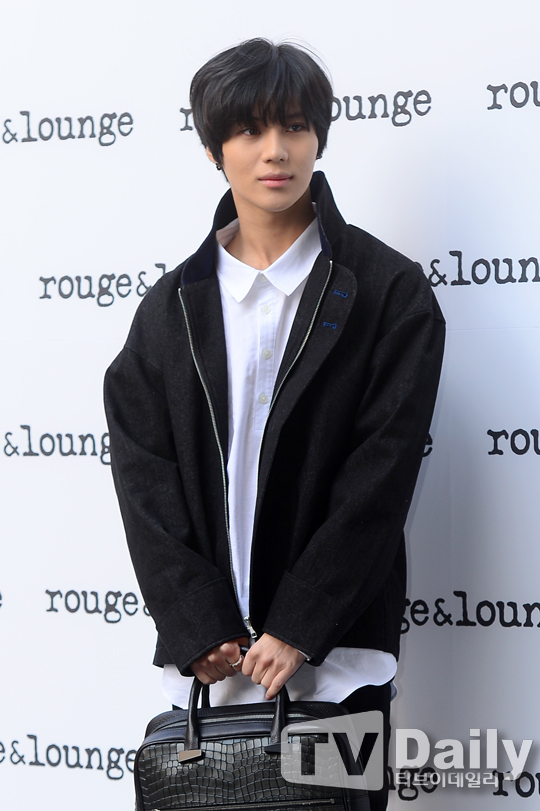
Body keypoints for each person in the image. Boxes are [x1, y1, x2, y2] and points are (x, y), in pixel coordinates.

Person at [104, 38, 445, 810]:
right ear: (212, 148)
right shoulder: (169, 308)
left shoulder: (388, 291)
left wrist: (299, 621)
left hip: (337, 662)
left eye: (294, 126)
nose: (276, 150)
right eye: (249, 130)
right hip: (214, 666)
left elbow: (382, 472)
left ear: (319, 136)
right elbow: (143, 473)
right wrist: (196, 622)